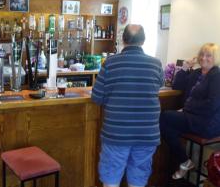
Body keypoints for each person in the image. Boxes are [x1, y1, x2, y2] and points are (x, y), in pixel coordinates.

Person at [92, 24, 164, 187]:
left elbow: (96, 98)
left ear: (123, 40)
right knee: (138, 178)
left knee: (111, 178)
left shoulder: (110, 63)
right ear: (143, 41)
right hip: (147, 133)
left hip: (116, 132)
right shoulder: (156, 64)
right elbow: (158, 85)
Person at [160, 43, 220, 179]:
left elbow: (213, 104)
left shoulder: (217, 75)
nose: (204, 58)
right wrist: (185, 68)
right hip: (192, 117)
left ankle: (184, 161)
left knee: (164, 117)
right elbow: (177, 85)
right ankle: (184, 161)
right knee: (168, 127)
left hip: (208, 123)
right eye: (201, 55)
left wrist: (187, 108)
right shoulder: (197, 73)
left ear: (215, 58)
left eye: (208, 55)